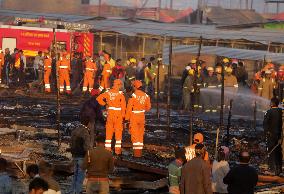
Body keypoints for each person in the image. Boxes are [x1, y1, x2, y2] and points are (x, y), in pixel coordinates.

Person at [97, 79, 126, 155]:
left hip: (110, 115)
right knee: (118, 134)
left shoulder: (108, 92)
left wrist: (105, 104)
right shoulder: (120, 94)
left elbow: (98, 98)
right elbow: (123, 107)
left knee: (109, 133)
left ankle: (107, 150)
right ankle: (117, 151)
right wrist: (123, 118)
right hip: (118, 115)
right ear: (119, 85)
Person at [125, 80, 151, 157]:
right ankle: (139, 154)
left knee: (135, 136)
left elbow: (129, 109)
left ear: (135, 87)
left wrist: (126, 119)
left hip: (134, 117)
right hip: (142, 117)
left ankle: (136, 155)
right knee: (140, 135)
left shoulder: (133, 96)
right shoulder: (146, 96)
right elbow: (148, 107)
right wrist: (142, 109)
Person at [70, 116, 91, 194]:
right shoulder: (85, 132)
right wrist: (88, 158)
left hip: (75, 155)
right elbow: (87, 146)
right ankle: (78, 191)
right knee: (80, 176)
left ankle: (73, 191)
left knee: (75, 175)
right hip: (82, 156)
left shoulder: (75, 130)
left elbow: (71, 143)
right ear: (88, 123)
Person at [263, 97, 283, 175]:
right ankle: (279, 169)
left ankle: (272, 169)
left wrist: (266, 133)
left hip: (271, 136)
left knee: (271, 151)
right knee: (278, 152)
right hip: (279, 136)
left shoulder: (269, 112)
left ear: (272, 103)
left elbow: (265, 124)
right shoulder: (281, 111)